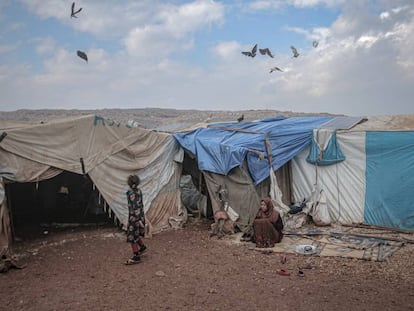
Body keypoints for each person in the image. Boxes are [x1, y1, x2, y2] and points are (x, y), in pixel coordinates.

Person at [125, 174, 147, 264]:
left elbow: (134, 207)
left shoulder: (130, 193)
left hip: (134, 218)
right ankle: (142, 247)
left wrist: (137, 220)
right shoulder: (139, 191)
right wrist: (140, 220)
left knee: (132, 236)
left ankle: (136, 256)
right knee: (136, 234)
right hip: (140, 217)